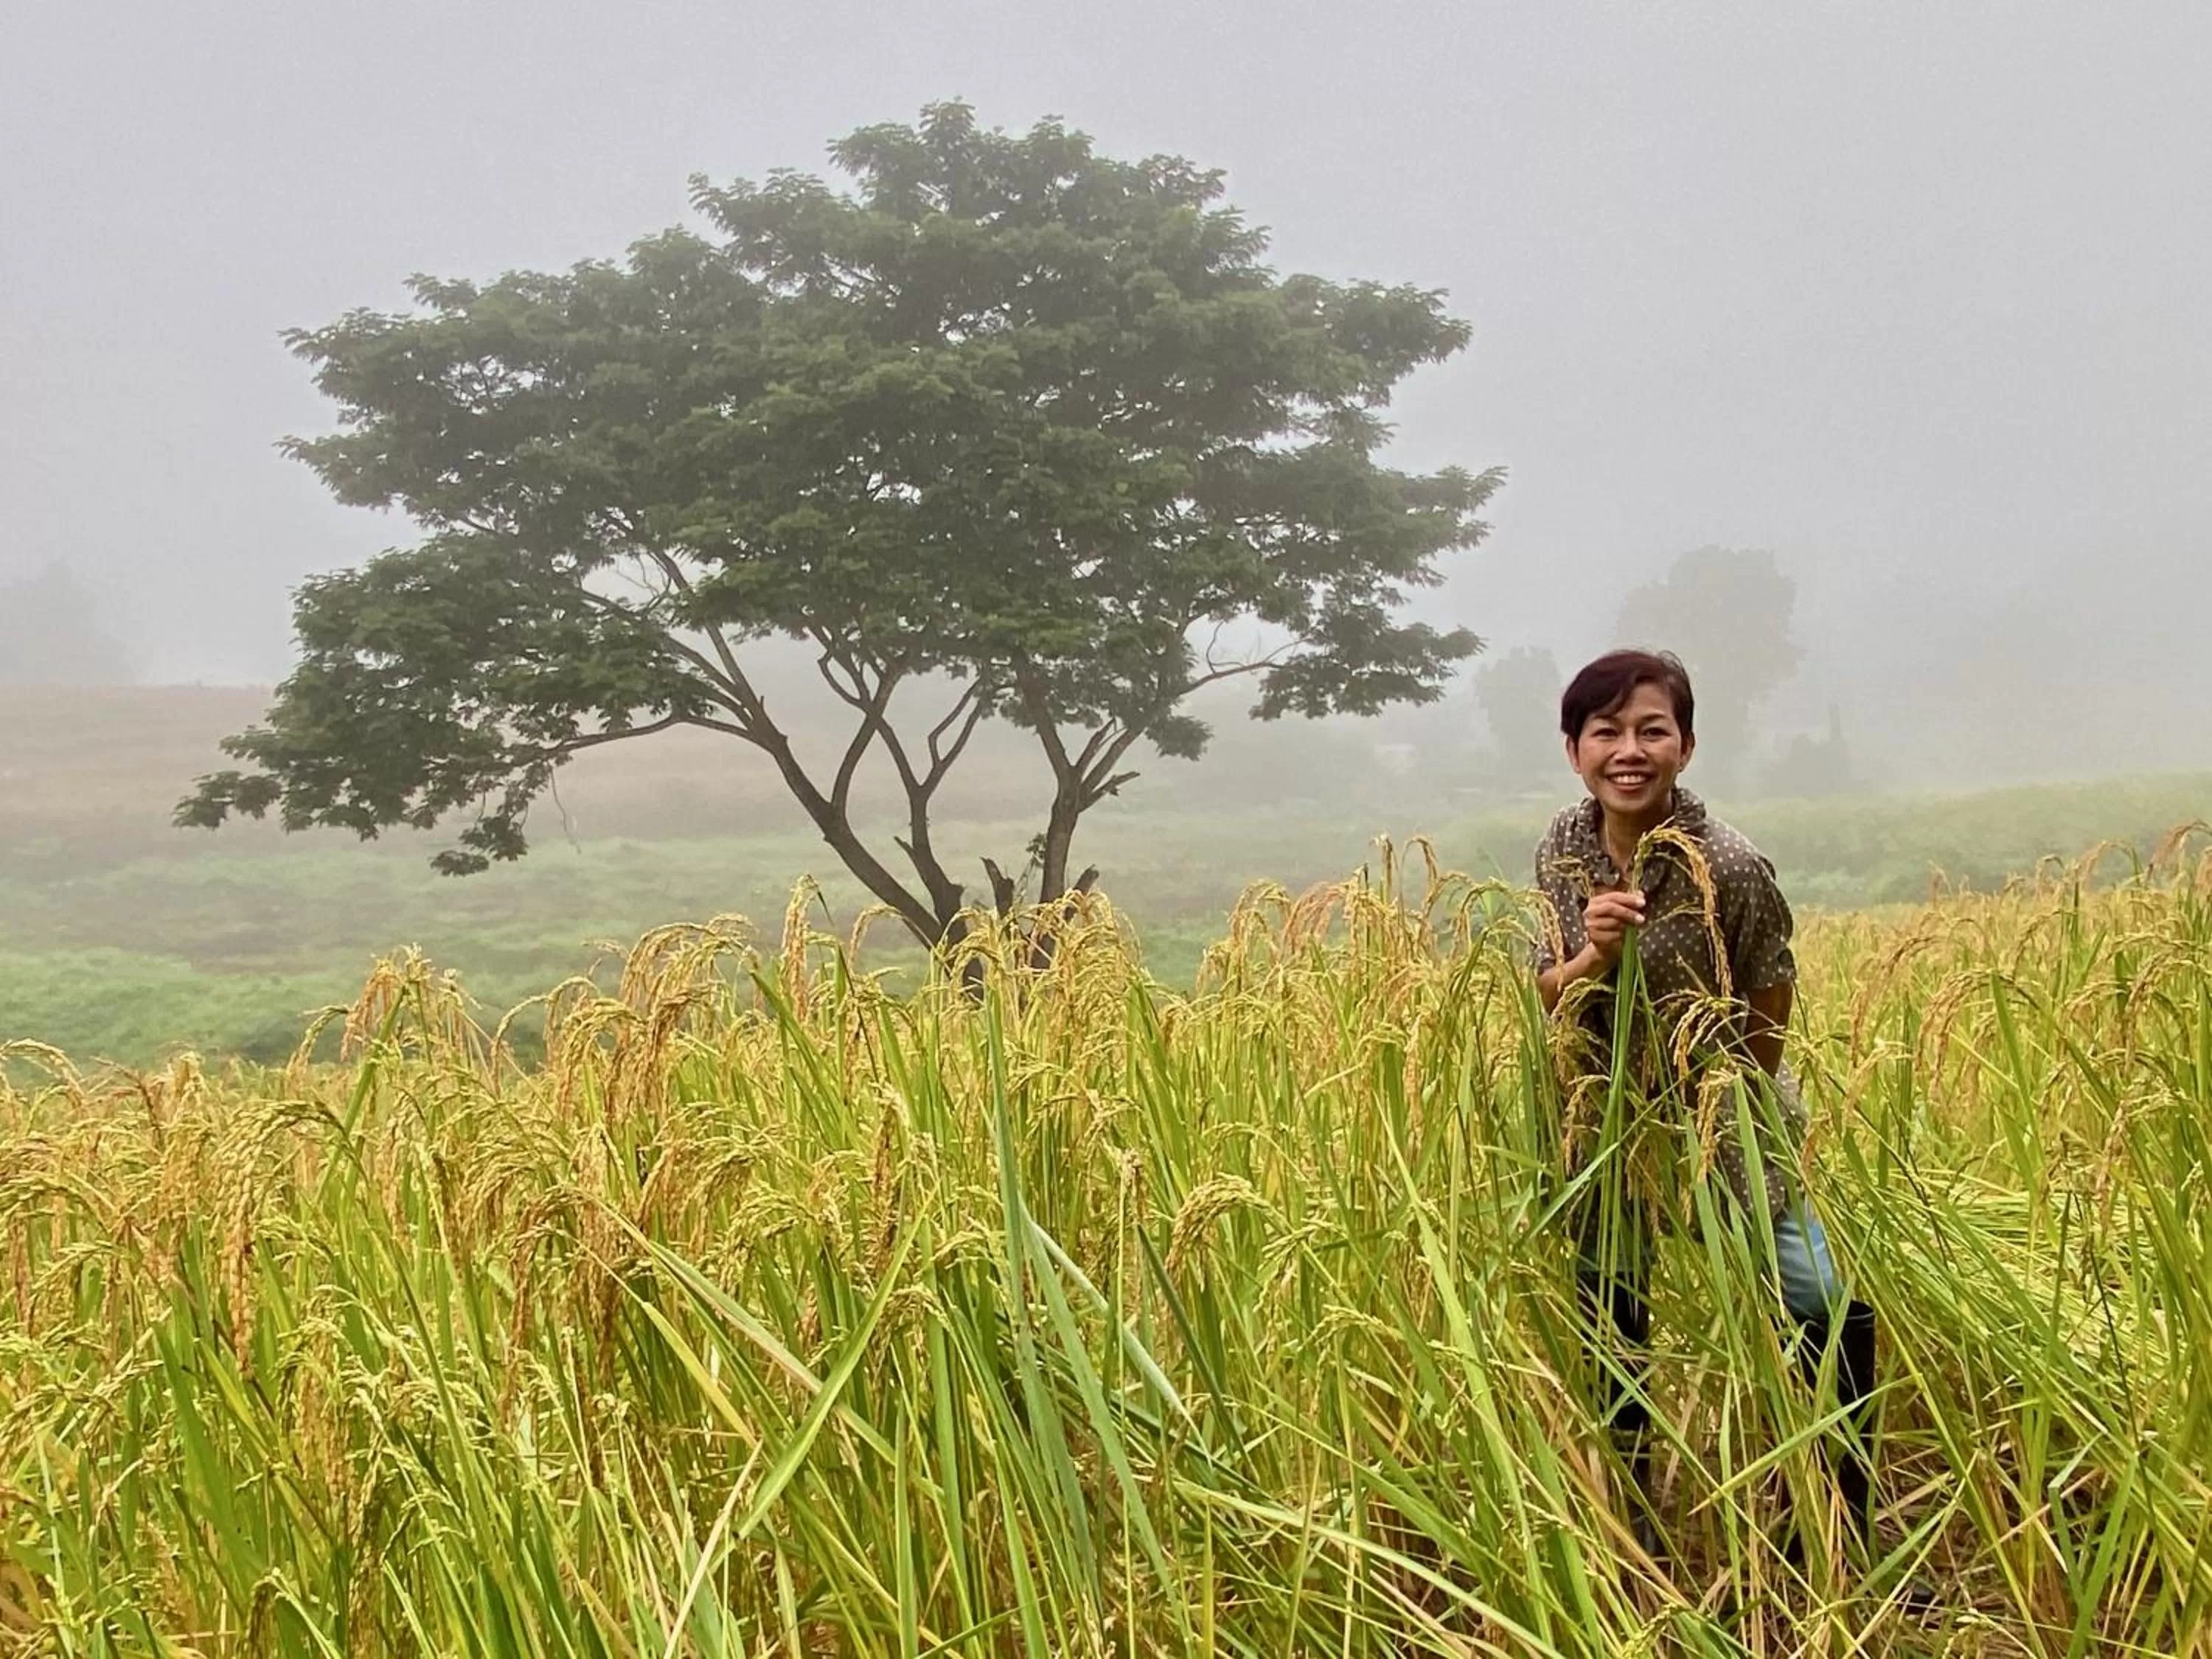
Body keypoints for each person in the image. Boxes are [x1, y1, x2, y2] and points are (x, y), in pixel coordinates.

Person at [1529, 648, 1882, 1566]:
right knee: (1613, 1307)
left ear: (1686, 746)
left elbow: (1771, 1002)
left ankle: (1835, 1536)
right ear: (1575, 750)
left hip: (1726, 1109)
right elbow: (1547, 992)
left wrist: (1721, 1107)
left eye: (1653, 730)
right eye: (1606, 732)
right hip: (1605, 1117)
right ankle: (1632, 1523)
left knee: (1822, 1303)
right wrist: (1593, 960)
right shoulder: (1561, 852)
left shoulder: (1728, 863)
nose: (1629, 751)